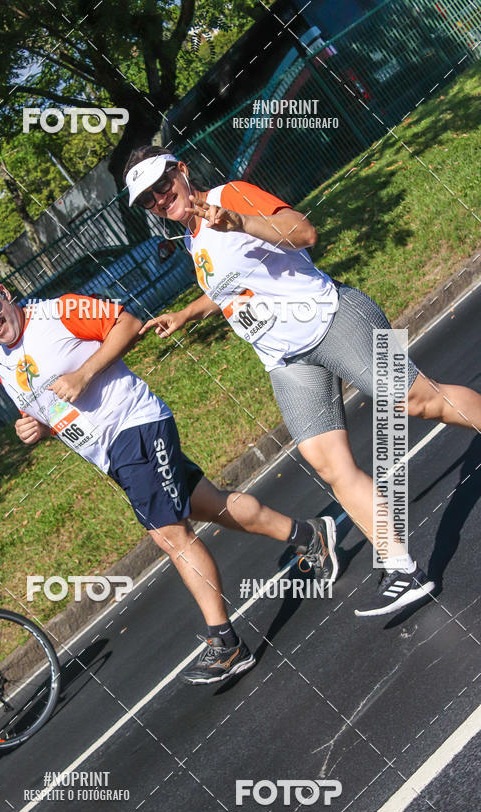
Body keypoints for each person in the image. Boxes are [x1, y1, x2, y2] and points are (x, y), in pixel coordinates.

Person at [124, 146, 481, 616]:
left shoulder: (231, 196)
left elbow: (303, 231)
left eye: (162, 185)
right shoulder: (193, 238)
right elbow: (232, 284)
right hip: (286, 359)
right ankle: (403, 568)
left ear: (182, 171)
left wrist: (239, 221)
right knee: (329, 463)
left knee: (420, 401)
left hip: (334, 319)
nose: (159, 198)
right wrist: (189, 313)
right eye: (148, 199)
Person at [0, 272, 339, 684]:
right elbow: (50, 412)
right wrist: (38, 431)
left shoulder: (57, 313)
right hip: (113, 456)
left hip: (135, 425)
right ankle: (309, 535)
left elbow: (126, 324)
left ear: (4, 295)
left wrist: (86, 374)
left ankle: (226, 643)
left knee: (170, 535)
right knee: (213, 504)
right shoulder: (4, 367)